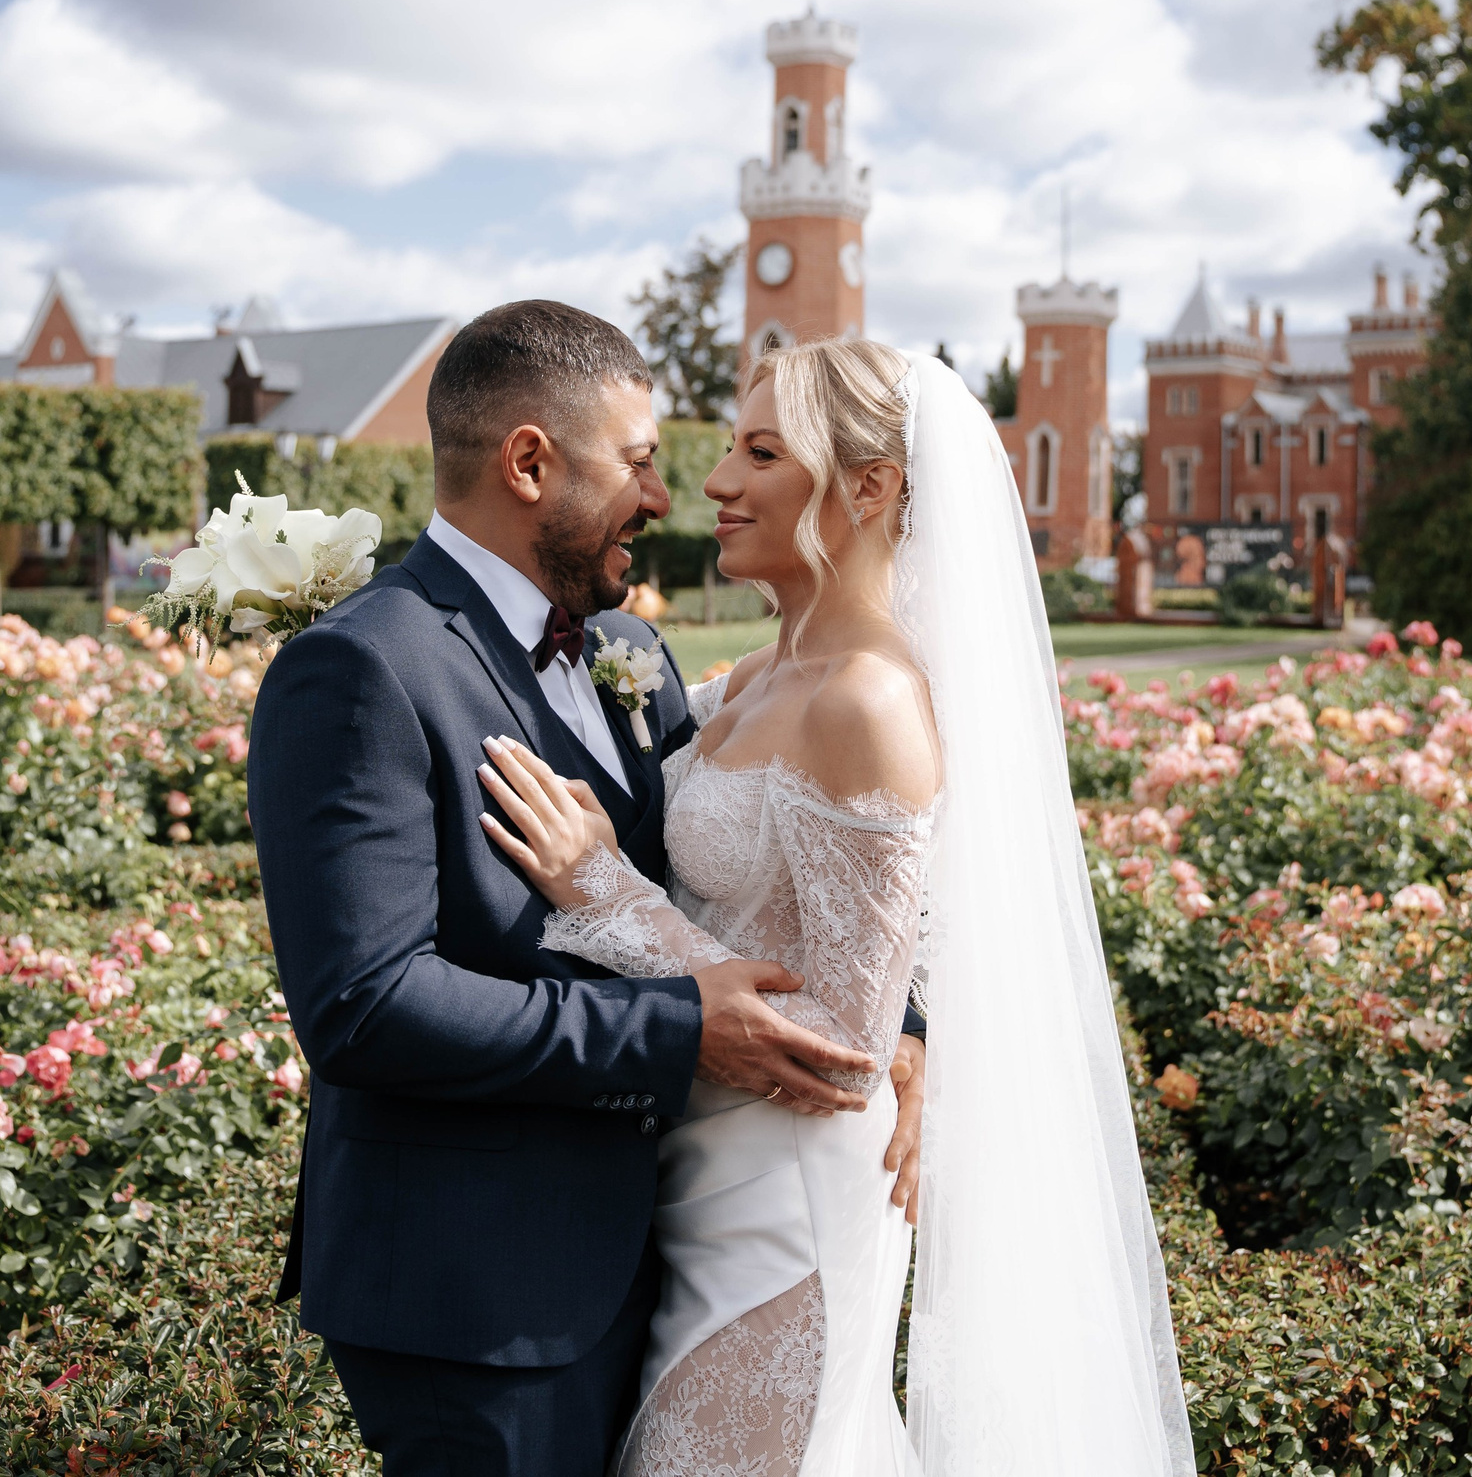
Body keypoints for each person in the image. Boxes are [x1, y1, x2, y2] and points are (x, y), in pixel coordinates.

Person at [478, 337, 1195, 1474]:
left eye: (761, 451)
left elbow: (845, 1052)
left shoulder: (867, 698)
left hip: (790, 1200)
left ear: (868, 487)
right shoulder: (758, 677)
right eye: (726, 446)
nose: (714, 481)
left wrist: (601, 886)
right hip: (696, 1165)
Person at [247, 301, 927, 1477]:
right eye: (642, 462)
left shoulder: (639, 659)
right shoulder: (362, 665)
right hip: (482, 1293)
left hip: (675, 1233)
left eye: (743, 452)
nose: (673, 494)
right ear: (529, 461)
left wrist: (900, 1032)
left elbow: (764, 874)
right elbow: (363, 1003)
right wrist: (682, 1025)